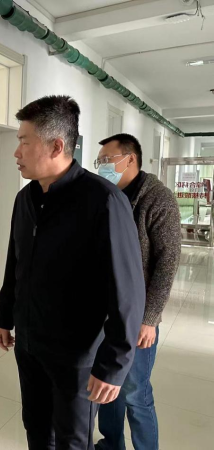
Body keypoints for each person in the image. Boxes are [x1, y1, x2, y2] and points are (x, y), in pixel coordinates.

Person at [0, 95, 145, 450]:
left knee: (72, 439)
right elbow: (16, 265)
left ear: (56, 146)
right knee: (35, 428)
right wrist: (5, 317)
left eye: (24, 142)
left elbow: (127, 290)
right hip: (29, 345)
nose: (16, 152)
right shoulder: (25, 199)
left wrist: (113, 365)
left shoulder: (103, 200)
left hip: (76, 354)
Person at [95, 134, 181, 450]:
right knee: (107, 383)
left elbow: (167, 262)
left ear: (130, 159)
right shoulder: (106, 195)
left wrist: (149, 318)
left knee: (135, 392)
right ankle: (111, 443)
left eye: (107, 160)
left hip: (137, 317)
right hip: (104, 313)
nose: (102, 167)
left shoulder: (158, 198)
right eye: (99, 162)